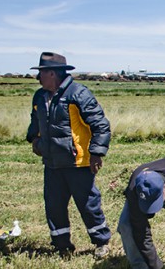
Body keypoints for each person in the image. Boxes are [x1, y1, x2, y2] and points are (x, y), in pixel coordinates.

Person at [26, 52, 111, 258]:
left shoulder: (78, 94)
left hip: (78, 163)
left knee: (89, 204)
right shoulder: (39, 96)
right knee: (54, 206)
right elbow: (35, 123)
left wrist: (97, 153)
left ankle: (101, 242)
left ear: (53, 74)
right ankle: (61, 245)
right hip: (52, 163)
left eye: (41, 73)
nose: (38, 78)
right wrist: (35, 140)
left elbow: (100, 125)